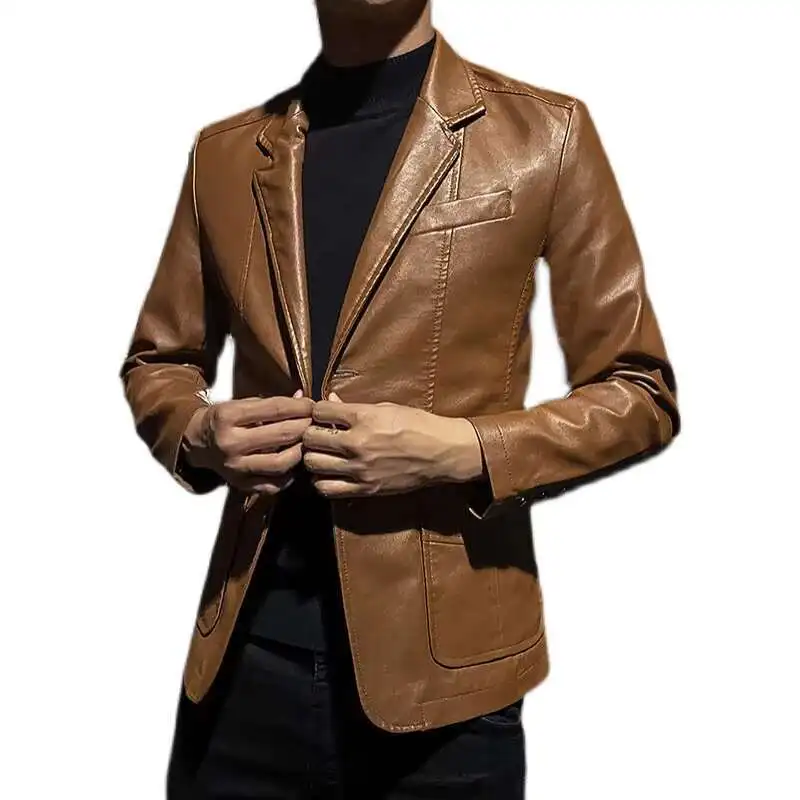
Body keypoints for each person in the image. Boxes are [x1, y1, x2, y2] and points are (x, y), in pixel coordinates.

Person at [119, 0, 681, 796]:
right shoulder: (226, 153)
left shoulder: (545, 134)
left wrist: (464, 451)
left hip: (448, 685)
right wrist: (200, 433)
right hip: (246, 665)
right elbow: (159, 360)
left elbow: (640, 392)